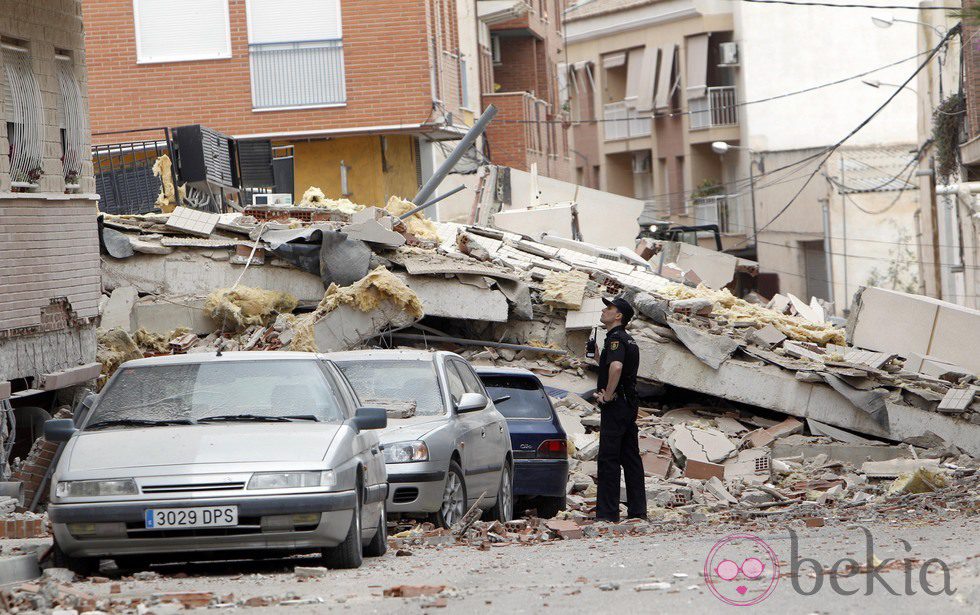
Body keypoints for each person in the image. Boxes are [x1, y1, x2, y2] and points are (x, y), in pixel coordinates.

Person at [593, 296, 646, 522]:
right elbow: (615, 367)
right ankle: (638, 511)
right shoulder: (629, 340)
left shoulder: (615, 338)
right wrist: (597, 357)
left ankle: (607, 513)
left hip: (616, 406)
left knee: (608, 459)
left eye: (610, 308)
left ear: (619, 316)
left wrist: (608, 394)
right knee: (630, 458)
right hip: (629, 404)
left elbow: (616, 367)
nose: (604, 310)